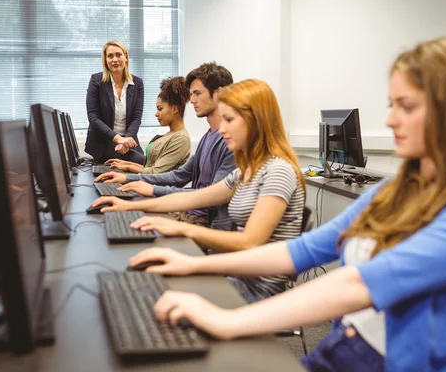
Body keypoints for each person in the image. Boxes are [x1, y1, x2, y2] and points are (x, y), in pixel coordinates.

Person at [127, 38, 446, 371]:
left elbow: (363, 283)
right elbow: (301, 251)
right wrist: (193, 262)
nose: (390, 122)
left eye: (407, 106)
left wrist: (228, 321)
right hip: (342, 350)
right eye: (391, 105)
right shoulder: (393, 193)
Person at [92, 79, 306, 302]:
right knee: (144, 287)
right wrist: (129, 205)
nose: (222, 129)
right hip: (237, 275)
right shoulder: (246, 171)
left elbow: (249, 242)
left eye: (229, 120)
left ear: (256, 120)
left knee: (152, 295)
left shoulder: (278, 171)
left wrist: (183, 230)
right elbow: (194, 198)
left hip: (258, 290)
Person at [94, 62, 236, 230]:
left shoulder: (230, 142)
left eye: (197, 93)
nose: (191, 100)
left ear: (219, 93)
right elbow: (179, 176)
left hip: (203, 224)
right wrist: (128, 178)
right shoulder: (208, 136)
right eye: (191, 94)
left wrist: (153, 189)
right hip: (187, 214)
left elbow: (210, 196)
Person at [104, 76, 191, 174]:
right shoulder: (168, 135)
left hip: (154, 187)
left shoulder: (181, 139)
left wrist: (128, 167)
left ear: (175, 109)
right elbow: (149, 166)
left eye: (160, 109)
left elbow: (156, 172)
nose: (156, 113)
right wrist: (127, 164)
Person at [85, 40, 145, 164]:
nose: (115, 59)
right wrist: (118, 139)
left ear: (126, 57)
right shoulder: (96, 81)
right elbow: (93, 117)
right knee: (139, 162)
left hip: (128, 139)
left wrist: (126, 140)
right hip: (104, 142)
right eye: (110, 56)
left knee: (143, 162)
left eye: (119, 54)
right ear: (105, 61)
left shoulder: (137, 83)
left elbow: (136, 117)